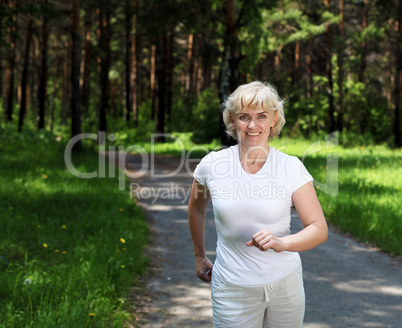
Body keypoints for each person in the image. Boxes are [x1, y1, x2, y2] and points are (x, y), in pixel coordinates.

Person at [188, 81, 328, 328]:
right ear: (232, 121)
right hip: (231, 288)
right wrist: (200, 256)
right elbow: (196, 208)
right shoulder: (212, 165)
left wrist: (282, 243)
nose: (253, 125)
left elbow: (318, 228)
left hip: (286, 287)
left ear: (274, 120)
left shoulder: (291, 167)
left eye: (261, 116)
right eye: (244, 117)